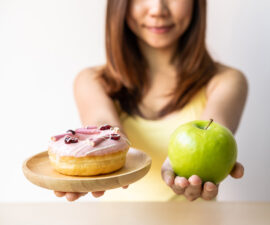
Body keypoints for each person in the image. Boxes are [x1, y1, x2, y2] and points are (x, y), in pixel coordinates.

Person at [54, 0, 247, 202]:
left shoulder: (226, 81)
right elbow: (104, 126)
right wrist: (94, 155)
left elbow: (215, 132)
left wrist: (196, 164)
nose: (157, 10)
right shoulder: (92, 81)